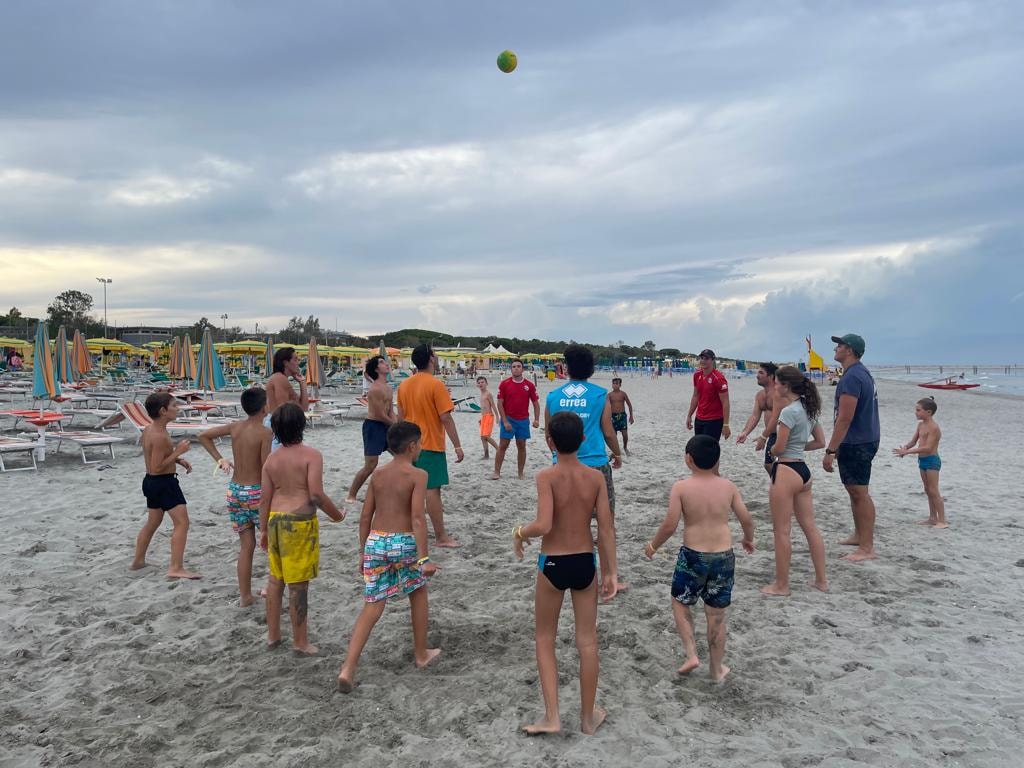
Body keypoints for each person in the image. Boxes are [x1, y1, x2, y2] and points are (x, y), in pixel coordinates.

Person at [513, 411, 618, 735]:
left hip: (553, 564)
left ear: (550, 442)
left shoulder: (546, 476)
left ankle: (552, 716)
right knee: (587, 641)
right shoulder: (595, 478)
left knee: (545, 638)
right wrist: (611, 571)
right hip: (585, 562)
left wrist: (520, 532)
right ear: (583, 439)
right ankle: (587, 719)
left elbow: (544, 524)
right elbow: (606, 528)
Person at [336, 421, 441, 692]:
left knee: (372, 605)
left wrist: (363, 552)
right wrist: (424, 558)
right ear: (412, 446)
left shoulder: (378, 474)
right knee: (418, 592)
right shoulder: (418, 475)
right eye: (420, 443)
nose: (421, 448)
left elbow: (365, 517)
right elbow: (417, 518)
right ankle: (421, 654)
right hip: (403, 541)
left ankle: (348, 667)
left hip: (376, 541)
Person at [643, 435, 754, 682]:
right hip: (724, 556)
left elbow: (670, 524)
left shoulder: (681, 487)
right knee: (716, 616)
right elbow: (746, 518)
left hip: (693, 555)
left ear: (688, 459)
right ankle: (716, 669)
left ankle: (692, 654)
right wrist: (748, 538)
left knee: (680, 603)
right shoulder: (728, 486)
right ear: (717, 460)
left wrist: (653, 546)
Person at [258, 402, 345, 655]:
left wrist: (263, 530)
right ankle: (300, 642)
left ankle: (273, 636)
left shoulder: (272, 459)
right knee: (298, 586)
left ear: (275, 429)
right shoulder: (311, 455)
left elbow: (264, 499)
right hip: (298, 524)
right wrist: (337, 515)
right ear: (302, 425)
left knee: (275, 580)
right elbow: (316, 494)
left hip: (275, 519)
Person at [545, 344, 625, 590]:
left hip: (562, 466)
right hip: (595, 465)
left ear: (567, 367)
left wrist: (557, 456)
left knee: (567, 523)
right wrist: (617, 454)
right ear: (591, 369)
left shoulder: (553, 396)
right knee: (605, 524)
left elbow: (549, 434)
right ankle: (609, 577)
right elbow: (608, 432)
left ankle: (567, 572)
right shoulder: (600, 395)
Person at [197, 387, 273, 606]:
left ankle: (245, 596)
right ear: (264, 407)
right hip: (256, 492)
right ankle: (271, 587)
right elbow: (265, 468)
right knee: (272, 546)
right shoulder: (265, 433)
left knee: (246, 547)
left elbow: (203, 435)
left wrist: (220, 459)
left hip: (235, 491)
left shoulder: (235, 427)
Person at [760, 366, 828, 596]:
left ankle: (782, 585)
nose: (775, 386)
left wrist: (774, 451)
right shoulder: (808, 409)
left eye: (777, 382)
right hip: (803, 471)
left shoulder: (788, 412)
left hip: (787, 470)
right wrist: (798, 447)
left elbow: (779, 447)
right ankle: (821, 580)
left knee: (781, 531)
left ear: (785, 386)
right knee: (810, 526)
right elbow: (820, 442)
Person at [396, 344, 464, 547]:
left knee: (410, 490)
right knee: (432, 490)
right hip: (430, 444)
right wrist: (457, 446)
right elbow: (446, 418)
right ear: (431, 359)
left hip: (408, 444)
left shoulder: (404, 385)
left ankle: (407, 530)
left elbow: (400, 419)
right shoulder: (436, 384)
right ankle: (441, 537)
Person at [823, 334, 880, 562]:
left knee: (859, 492)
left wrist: (830, 450)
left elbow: (845, 418)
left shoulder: (853, 377)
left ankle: (867, 548)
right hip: (863, 438)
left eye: (839, 346)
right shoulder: (859, 373)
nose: (835, 349)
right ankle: (859, 535)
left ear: (850, 350)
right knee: (854, 491)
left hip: (858, 441)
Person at [130, 392, 199, 579]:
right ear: (163, 411)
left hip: (151, 483)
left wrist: (178, 460)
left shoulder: (149, 429)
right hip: (164, 483)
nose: (178, 409)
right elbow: (157, 467)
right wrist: (178, 452)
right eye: (174, 406)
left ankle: (138, 561)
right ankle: (176, 567)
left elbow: (156, 457)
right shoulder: (159, 435)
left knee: (152, 522)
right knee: (182, 523)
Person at [345, 356, 397, 505]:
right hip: (373, 427)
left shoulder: (388, 388)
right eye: (381, 362)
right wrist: (394, 425)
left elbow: (390, 412)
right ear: (376, 369)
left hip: (386, 425)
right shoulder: (374, 389)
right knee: (370, 465)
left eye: (385, 361)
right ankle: (351, 494)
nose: (386, 364)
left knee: (403, 456)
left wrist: (398, 424)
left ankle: (394, 487)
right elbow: (379, 415)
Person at [893, 397, 947, 528]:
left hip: (932, 461)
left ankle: (942, 521)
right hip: (922, 460)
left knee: (934, 490)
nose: (915, 412)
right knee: (927, 490)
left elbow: (928, 448)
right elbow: (914, 442)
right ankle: (932, 518)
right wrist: (906, 448)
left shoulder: (934, 428)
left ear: (928, 412)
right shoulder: (920, 425)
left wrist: (908, 452)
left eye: (918, 410)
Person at [491, 359, 540, 480]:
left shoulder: (529, 385)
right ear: (511, 369)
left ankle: (520, 473)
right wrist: (505, 421)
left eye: (518, 366)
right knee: (503, 445)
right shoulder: (504, 384)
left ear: (522, 369)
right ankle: (496, 472)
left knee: (521, 446)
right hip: (508, 419)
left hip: (523, 420)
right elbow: (499, 403)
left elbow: (535, 403)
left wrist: (536, 419)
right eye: (514, 367)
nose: (516, 368)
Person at [736, 362, 780, 473]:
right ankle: (778, 483)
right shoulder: (760, 395)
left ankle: (782, 483)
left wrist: (763, 437)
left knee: (774, 465)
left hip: (783, 434)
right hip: (772, 435)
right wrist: (745, 432)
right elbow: (755, 416)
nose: (757, 376)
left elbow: (776, 418)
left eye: (761, 373)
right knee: (769, 465)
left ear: (771, 376)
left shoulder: (779, 394)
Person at [265, 347, 309, 451]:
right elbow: (283, 410)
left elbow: (304, 407)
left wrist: (302, 382)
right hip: (279, 427)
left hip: (279, 426)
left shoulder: (282, 379)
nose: (298, 363)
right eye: (295, 359)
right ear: (286, 363)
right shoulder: (279, 378)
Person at [686, 349, 731, 442]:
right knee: (698, 447)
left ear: (712, 360)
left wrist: (726, 424)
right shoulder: (697, 375)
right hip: (699, 418)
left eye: (706, 358)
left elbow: (725, 402)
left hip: (714, 420)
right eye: (702, 358)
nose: (703, 361)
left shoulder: (718, 379)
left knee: (710, 449)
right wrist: (689, 415)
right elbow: (695, 396)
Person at [607, 378, 635, 456]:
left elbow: (629, 405)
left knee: (624, 434)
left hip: (622, 416)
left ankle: (625, 447)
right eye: (613, 383)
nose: (615, 385)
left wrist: (631, 416)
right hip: (613, 416)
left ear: (620, 385)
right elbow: (606, 407)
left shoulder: (623, 394)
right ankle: (615, 450)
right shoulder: (609, 395)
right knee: (614, 435)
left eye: (616, 383)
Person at [476, 375, 500, 460]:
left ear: (486, 383)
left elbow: (493, 405)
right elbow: (483, 407)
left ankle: (499, 450)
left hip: (489, 416)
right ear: (477, 385)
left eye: (482, 382)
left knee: (486, 436)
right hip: (484, 417)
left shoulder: (488, 394)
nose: (480, 384)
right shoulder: (481, 395)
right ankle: (486, 455)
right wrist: (481, 418)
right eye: (479, 383)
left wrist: (497, 416)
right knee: (482, 437)